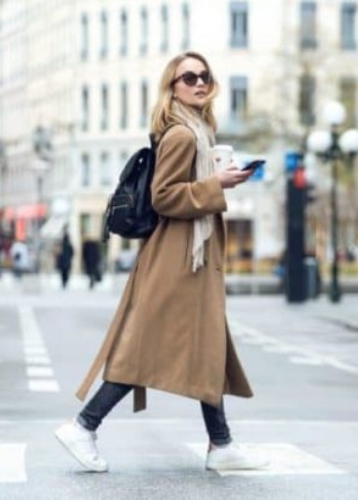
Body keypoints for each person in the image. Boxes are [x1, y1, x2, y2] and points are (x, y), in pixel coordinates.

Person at [55, 51, 267, 473]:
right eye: (189, 77)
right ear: (173, 86)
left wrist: (219, 181)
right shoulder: (182, 136)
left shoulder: (200, 132)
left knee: (208, 345)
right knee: (146, 348)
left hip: (189, 255)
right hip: (175, 258)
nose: (200, 83)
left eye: (205, 76)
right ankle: (84, 426)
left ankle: (221, 443)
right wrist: (215, 184)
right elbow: (164, 196)